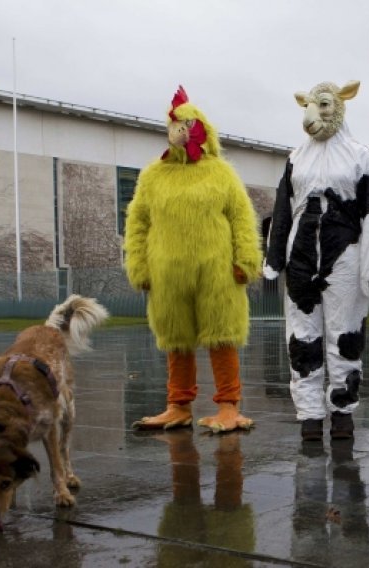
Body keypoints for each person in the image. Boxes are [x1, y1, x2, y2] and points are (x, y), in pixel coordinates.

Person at [126, 86, 262, 433]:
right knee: (176, 337)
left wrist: (246, 259)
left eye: (186, 123)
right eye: (174, 123)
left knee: (222, 334)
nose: (178, 130)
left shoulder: (221, 173)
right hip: (167, 272)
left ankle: (229, 405)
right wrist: (140, 266)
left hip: (217, 270)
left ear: (199, 129)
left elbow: (241, 217)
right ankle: (178, 404)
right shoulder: (153, 175)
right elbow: (138, 221)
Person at [264, 80, 369, 441]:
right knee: (302, 335)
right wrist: (274, 257)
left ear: (339, 106)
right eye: (309, 107)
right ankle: (310, 413)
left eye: (324, 106)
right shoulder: (296, 158)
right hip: (301, 259)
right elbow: (282, 208)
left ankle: (342, 410)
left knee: (344, 332)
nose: (313, 116)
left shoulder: (361, 156)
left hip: (343, 256)